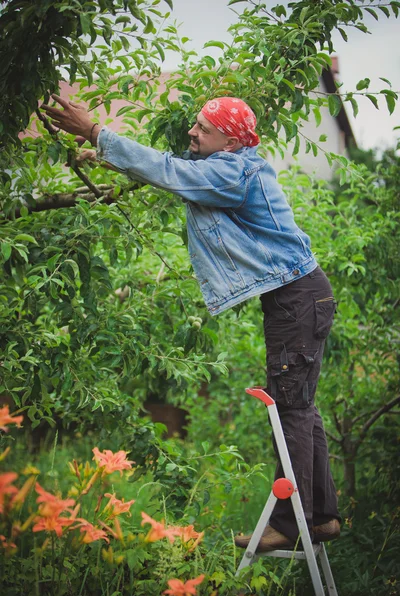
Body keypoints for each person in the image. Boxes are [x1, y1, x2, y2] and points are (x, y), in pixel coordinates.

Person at [41, 94, 341, 550]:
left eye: (203, 127)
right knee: (300, 405)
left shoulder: (231, 172)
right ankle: (321, 517)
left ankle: (291, 523)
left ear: (228, 141)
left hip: (296, 301)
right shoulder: (232, 166)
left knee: (289, 410)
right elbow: (171, 169)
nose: (192, 132)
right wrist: (110, 158)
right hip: (300, 296)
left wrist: (96, 132)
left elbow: (173, 172)